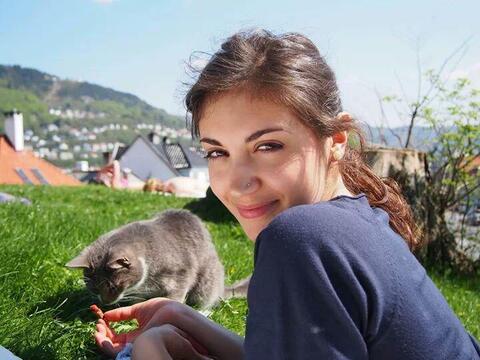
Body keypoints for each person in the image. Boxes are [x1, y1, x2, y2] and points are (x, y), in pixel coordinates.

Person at [94, 29, 480, 360]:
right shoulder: (358, 221)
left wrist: (146, 353)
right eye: (217, 152)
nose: (237, 182)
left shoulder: (301, 237)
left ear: (337, 140)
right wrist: (182, 318)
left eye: (268, 146)